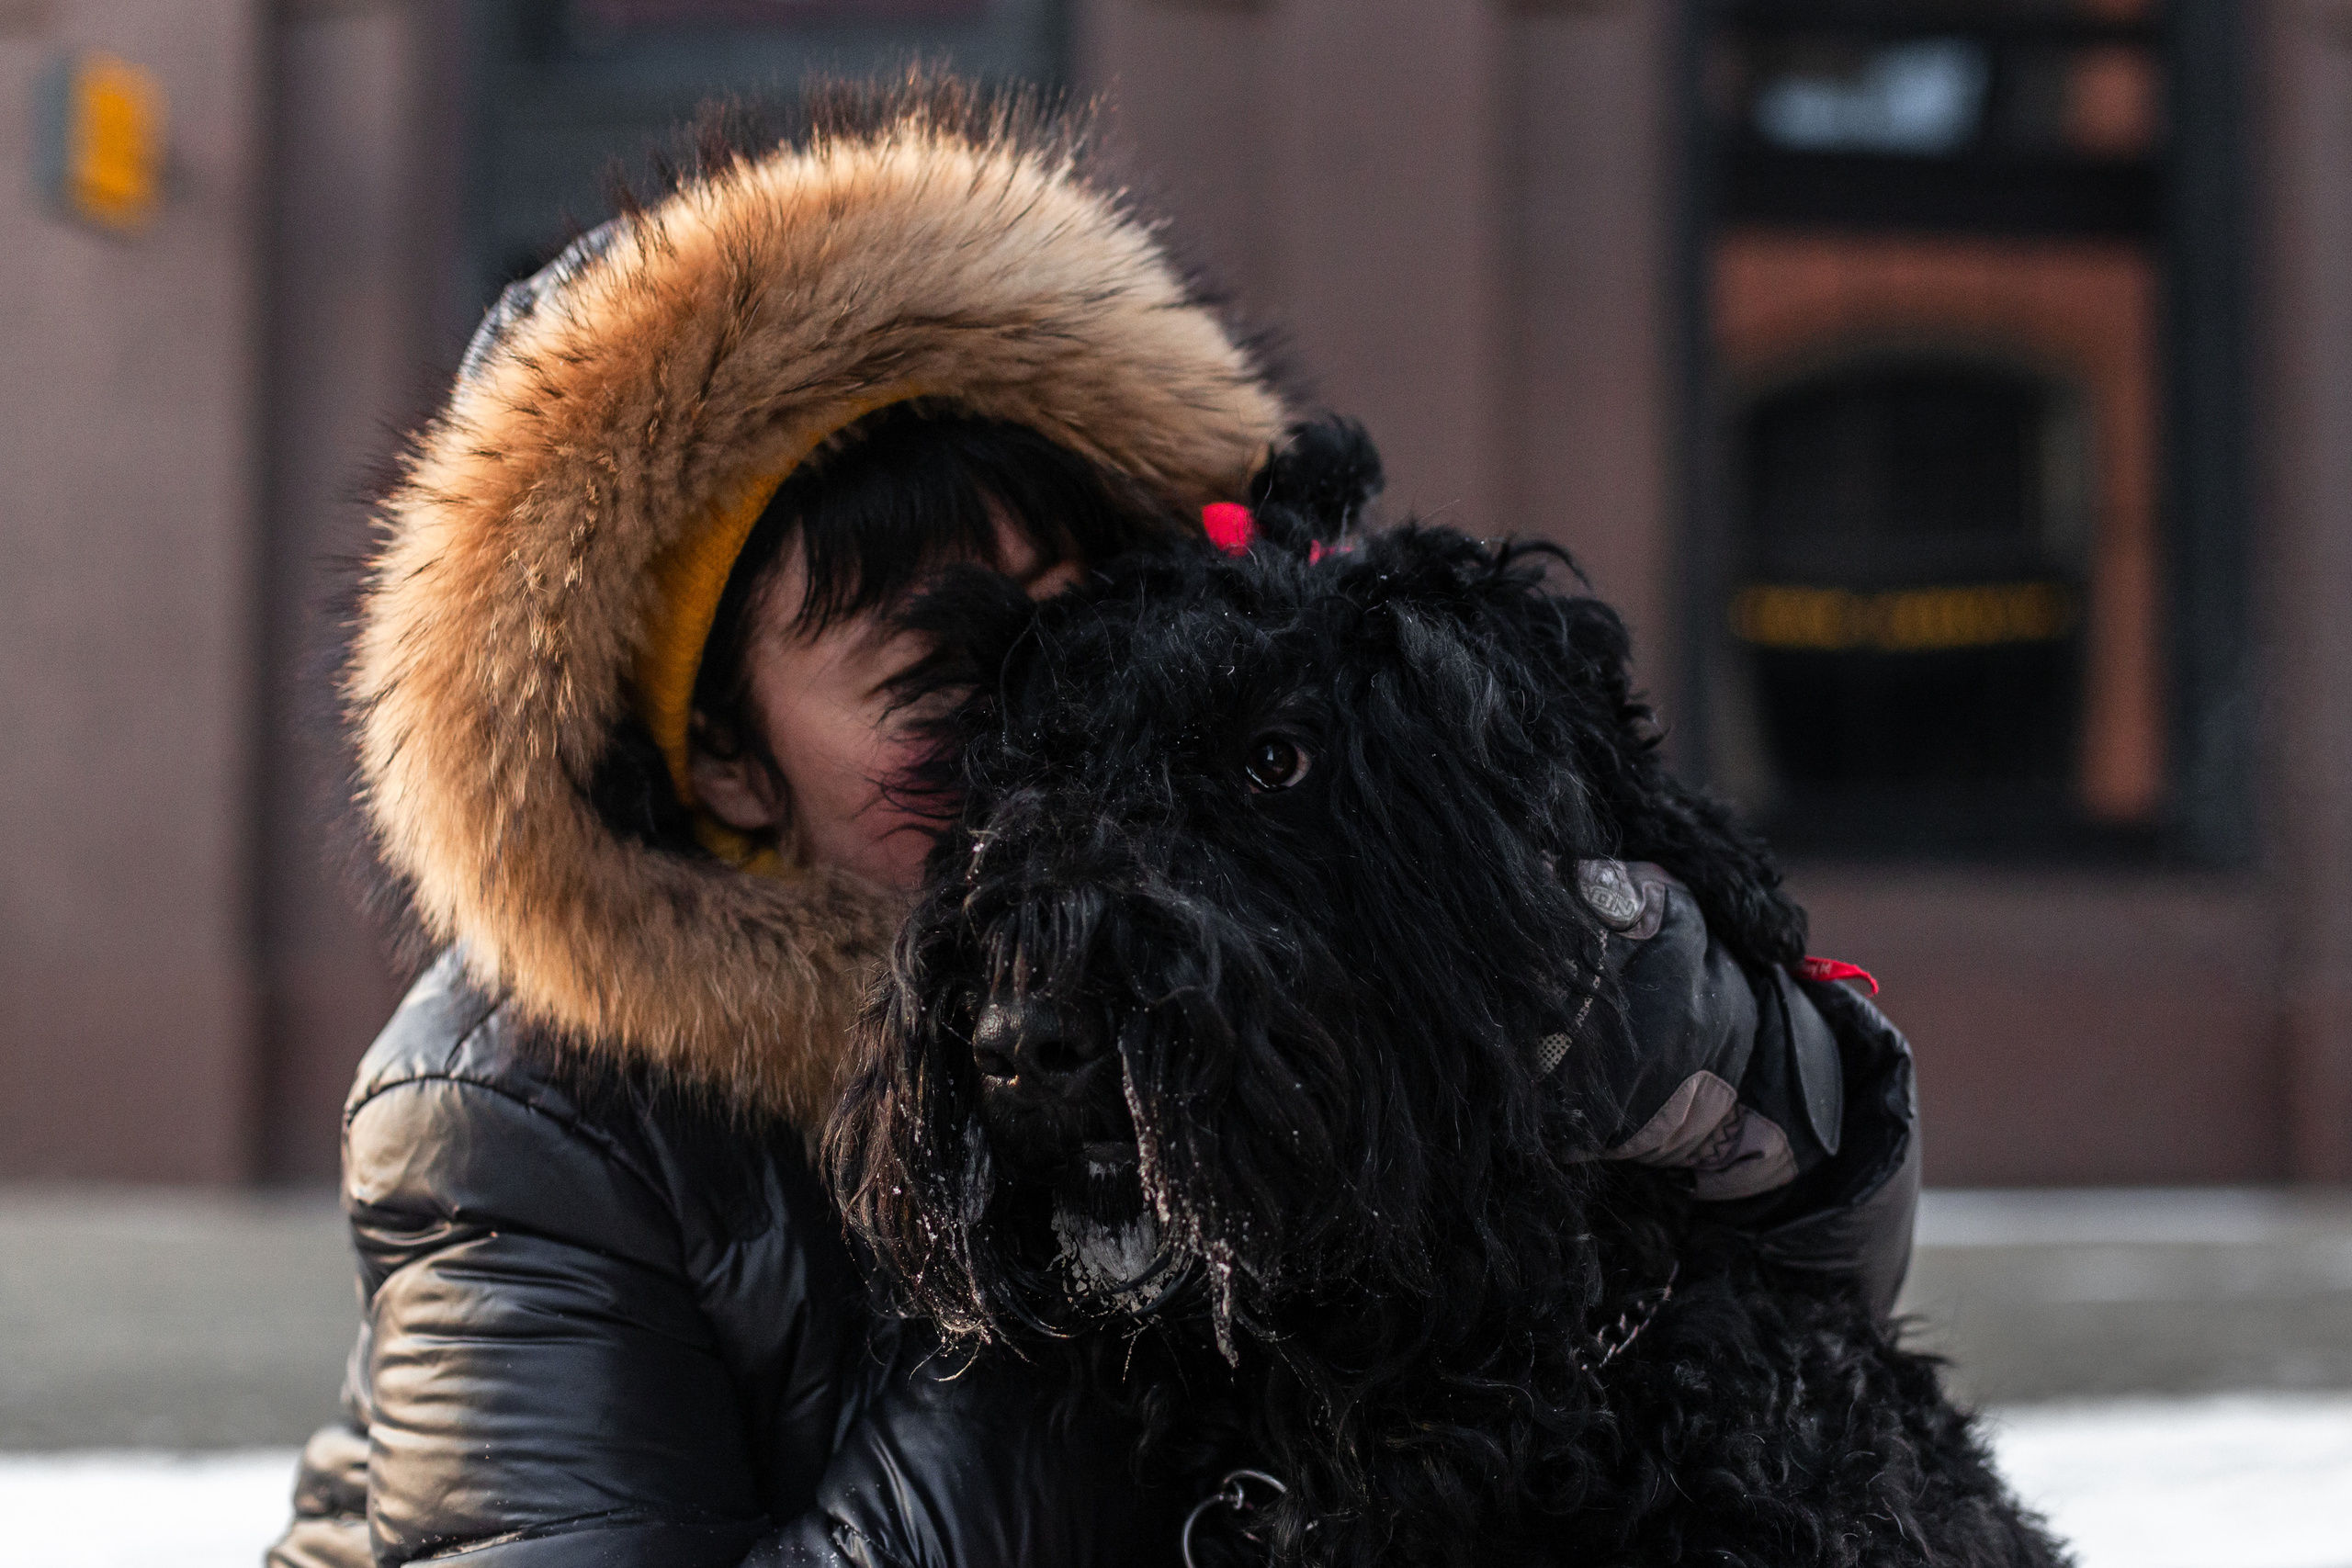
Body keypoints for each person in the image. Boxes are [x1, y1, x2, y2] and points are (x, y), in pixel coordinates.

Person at [270, 81, 1917, 1568]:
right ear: (726, 770)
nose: (1053, 742)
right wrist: (1072, 1298)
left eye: (1096, 634)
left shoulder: (1286, 892)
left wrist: (1722, 1057)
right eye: (947, 683)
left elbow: (1797, 1319)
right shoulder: (517, 1113)